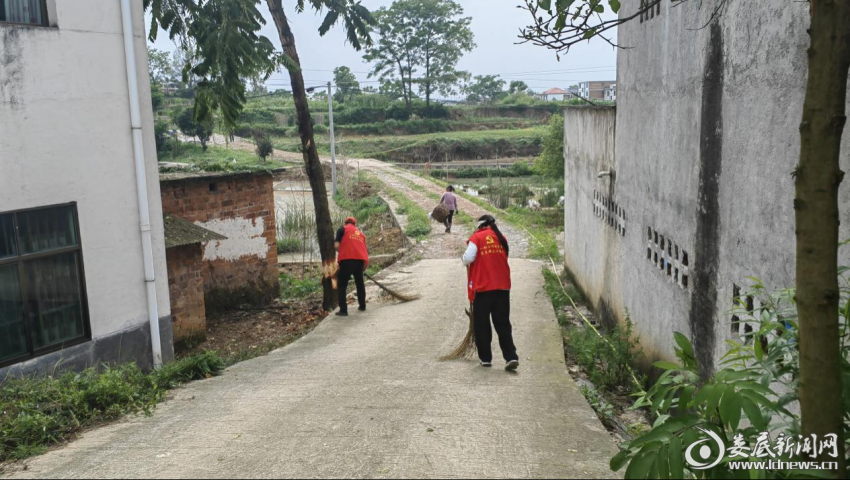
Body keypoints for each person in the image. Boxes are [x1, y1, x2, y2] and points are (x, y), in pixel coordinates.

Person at [462, 215, 519, 371]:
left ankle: (486, 358)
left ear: (480, 226)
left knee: (482, 324)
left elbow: (467, 258)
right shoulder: (501, 238)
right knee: (503, 324)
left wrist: (465, 259)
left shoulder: (477, 237)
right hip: (502, 287)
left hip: (483, 288)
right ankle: (511, 357)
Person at [335, 217, 369, 317]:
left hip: (346, 260)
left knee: (342, 285)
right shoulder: (361, 234)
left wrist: (343, 252)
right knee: (359, 283)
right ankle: (362, 306)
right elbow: (362, 248)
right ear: (355, 224)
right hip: (359, 261)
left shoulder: (342, 229)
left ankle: (343, 310)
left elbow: (336, 245)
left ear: (345, 223)